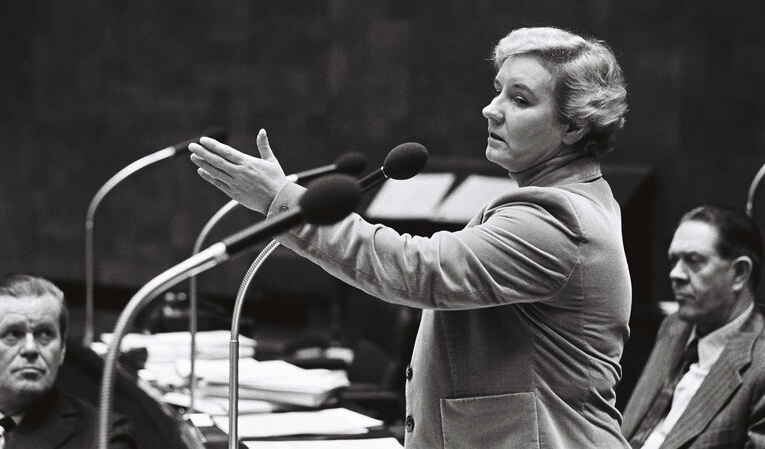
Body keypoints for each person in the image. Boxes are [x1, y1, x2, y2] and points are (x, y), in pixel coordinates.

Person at [189, 26, 632, 448]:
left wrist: (283, 203)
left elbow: (418, 270)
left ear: (573, 127)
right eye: (498, 89)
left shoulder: (557, 219)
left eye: (519, 99)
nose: (491, 108)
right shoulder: (569, 202)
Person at [621, 205, 765, 448]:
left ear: (740, 273)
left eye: (693, 261)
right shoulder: (675, 326)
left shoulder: (760, 366)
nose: (675, 274)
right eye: (673, 260)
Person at [0, 273, 135, 449]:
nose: (31, 348)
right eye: (13, 334)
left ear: (62, 349)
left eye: (45, 334)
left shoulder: (105, 435)